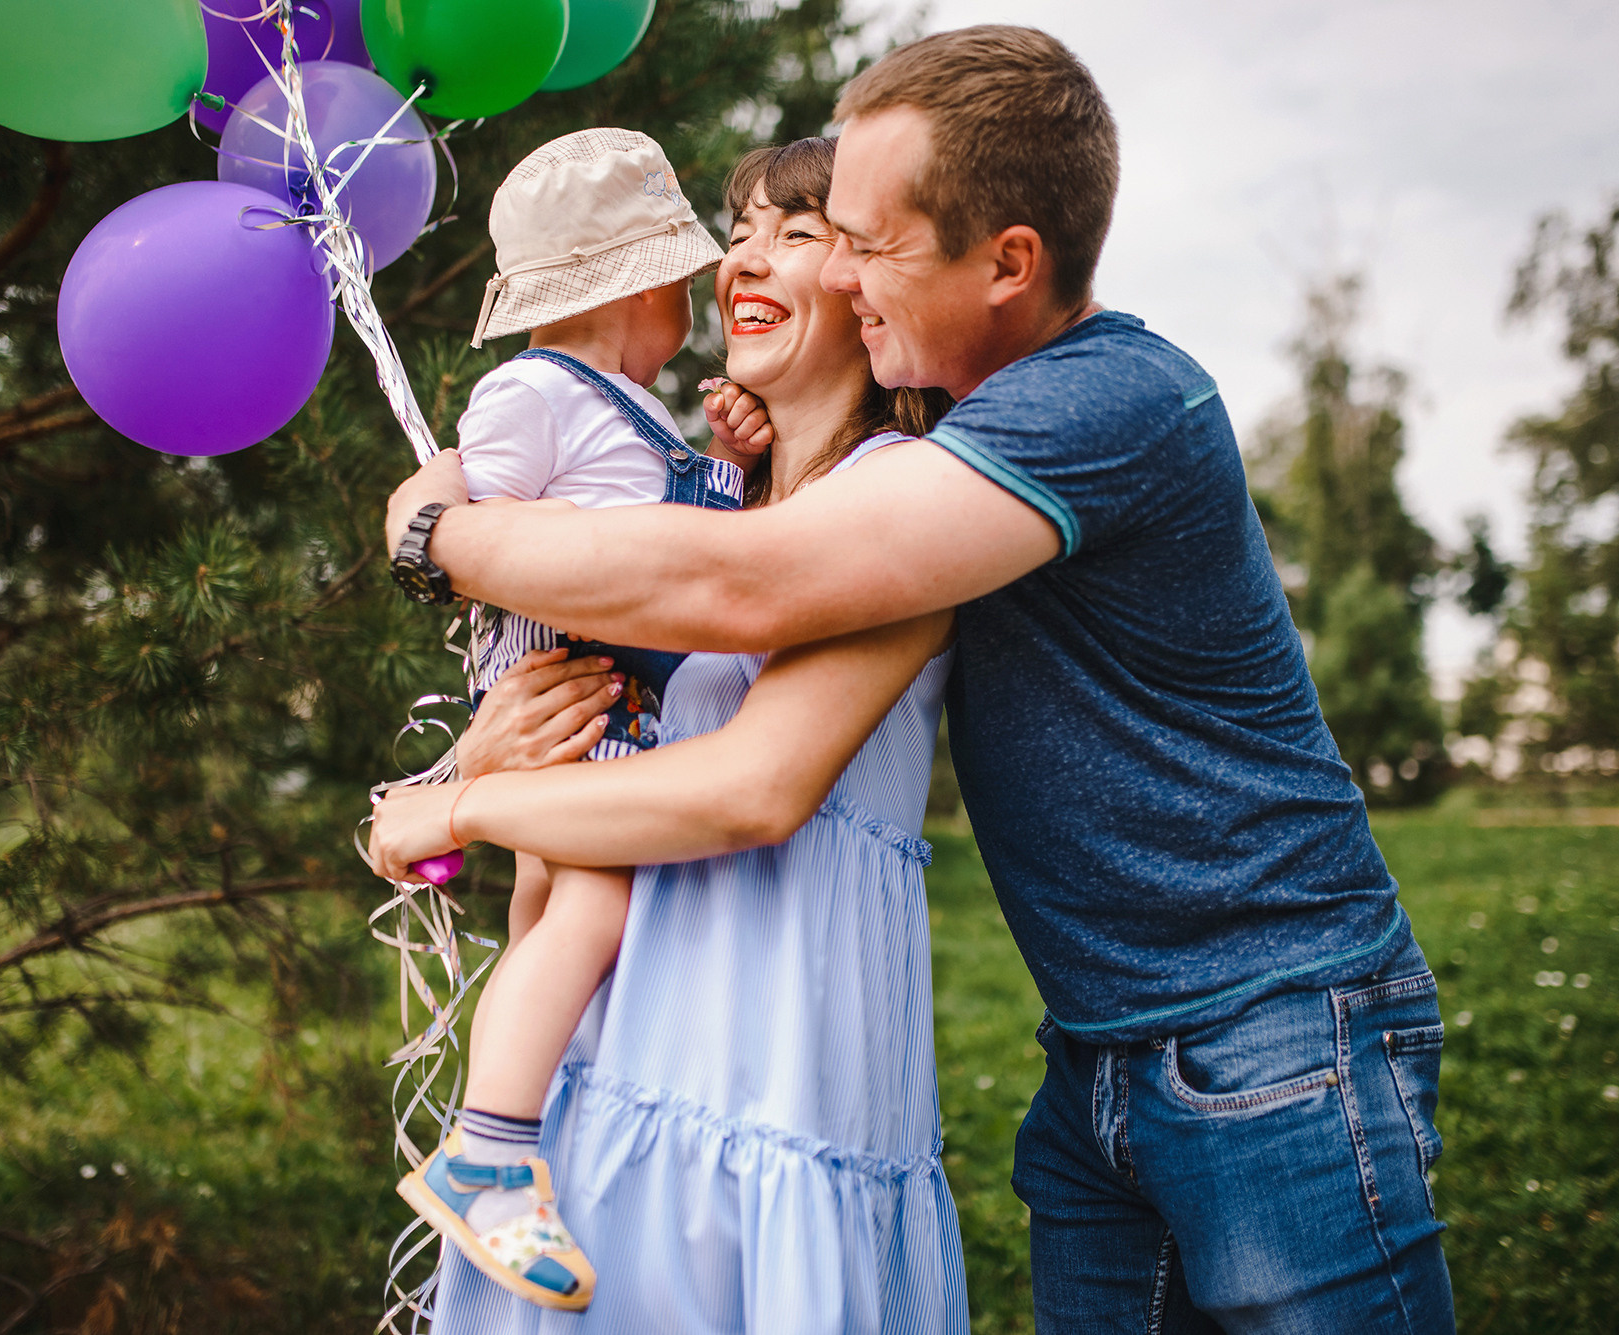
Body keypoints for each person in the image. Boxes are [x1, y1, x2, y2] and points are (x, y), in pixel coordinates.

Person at [383, 26, 1457, 1334]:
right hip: (1080, 1048)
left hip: (1270, 1019)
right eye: (791, 229)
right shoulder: (783, 475)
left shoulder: (1079, 408)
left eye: (854, 237)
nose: (806, 258)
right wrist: (501, 740)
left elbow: (749, 662)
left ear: (1007, 260)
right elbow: (671, 625)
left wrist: (436, 538)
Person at [371, 136, 968, 1332]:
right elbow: (479, 527)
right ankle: (495, 1145)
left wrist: (453, 804)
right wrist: (469, 756)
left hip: (773, 1066)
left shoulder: (906, 492)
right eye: (737, 231)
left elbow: (748, 787)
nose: (743, 257)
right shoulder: (710, 502)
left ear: (872, 287)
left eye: (796, 234)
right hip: (616, 1068)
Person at [392, 127, 769, 1311]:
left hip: (616, 705)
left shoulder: (631, 411)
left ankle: (525, 1128)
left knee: (546, 919)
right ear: (647, 285)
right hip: (567, 696)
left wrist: (724, 458)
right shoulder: (532, 390)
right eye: (682, 288)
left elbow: (675, 533)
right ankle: (487, 1151)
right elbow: (482, 534)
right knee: (589, 906)